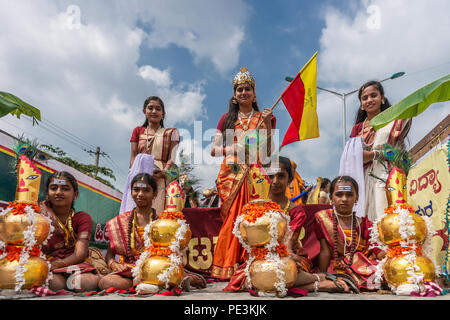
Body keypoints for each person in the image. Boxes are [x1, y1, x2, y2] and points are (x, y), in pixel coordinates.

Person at [224, 157, 356, 293]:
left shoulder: (296, 211)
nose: (275, 181)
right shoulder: (255, 207)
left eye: (281, 176)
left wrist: (286, 258)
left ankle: (310, 279)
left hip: (291, 255)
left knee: (279, 272)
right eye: (270, 176)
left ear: (290, 179)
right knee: (257, 275)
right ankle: (319, 281)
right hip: (261, 257)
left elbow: (289, 242)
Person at [209, 67, 275, 280]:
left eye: (247, 89)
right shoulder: (226, 119)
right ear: (234, 95)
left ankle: (257, 264)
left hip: (256, 174)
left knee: (256, 219)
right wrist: (234, 150)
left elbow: (268, 153)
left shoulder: (264, 117)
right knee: (233, 220)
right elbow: (213, 150)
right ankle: (229, 266)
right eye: (239, 90)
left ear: (254, 93)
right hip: (232, 174)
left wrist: (266, 124)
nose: (244, 93)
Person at [349, 81, 411, 221]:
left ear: (382, 98)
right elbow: (351, 154)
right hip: (362, 177)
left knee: (384, 213)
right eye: (364, 98)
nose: (369, 100)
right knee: (362, 220)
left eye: (373, 95)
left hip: (385, 174)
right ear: (361, 104)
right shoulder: (358, 129)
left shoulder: (394, 121)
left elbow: (398, 153)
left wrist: (374, 154)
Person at [314, 175, 385, 291]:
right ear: (331, 197)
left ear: (357, 198)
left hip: (364, 266)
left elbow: (376, 249)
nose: (344, 199)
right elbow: (324, 251)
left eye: (349, 195)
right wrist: (323, 276)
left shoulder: (365, 224)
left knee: (380, 274)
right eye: (339, 194)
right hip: (336, 268)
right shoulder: (323, 218)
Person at [40, 171, 100, 292]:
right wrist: (48, 266)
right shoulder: (39, 215)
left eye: (65, 189)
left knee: (80, 284)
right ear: (47, 192)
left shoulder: (82, 218)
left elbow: (80, 253)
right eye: (53, 188)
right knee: (54, 284)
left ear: (75, 194)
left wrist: (58, 265)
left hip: (76, 264)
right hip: (47, 264)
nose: (58, 192)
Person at [99, 173, 158, 290]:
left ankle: (143, 284)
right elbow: (110, 255)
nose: (140, 194)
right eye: (136, 190)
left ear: (154, 194)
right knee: (105, 282)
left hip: (153, 269)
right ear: (131, 192)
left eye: (146, 190)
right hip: (127, 270)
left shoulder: (161, 223)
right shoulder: (120, 221)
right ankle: (139, 285)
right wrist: (113, 264)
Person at [129, 96, 180, 216]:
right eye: (150, 108)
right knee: (137, 209)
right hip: (139, 174)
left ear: (163, 113)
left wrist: (164, 172)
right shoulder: (138, 131)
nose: (154, 111)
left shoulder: (171, 133)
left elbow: (172, 158)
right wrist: (133, 173)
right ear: (144, 111)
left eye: (158, 109)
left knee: (158, 209)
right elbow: (133, 155)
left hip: (160, 176)